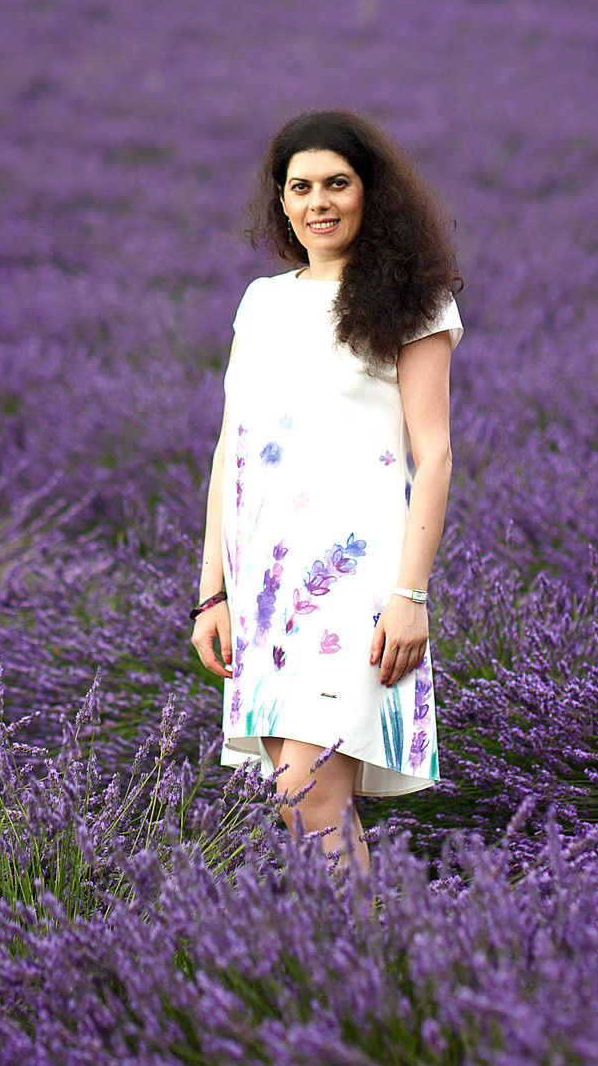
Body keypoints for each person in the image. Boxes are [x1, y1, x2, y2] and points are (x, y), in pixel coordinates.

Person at [191, 109, 463, 871]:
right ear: (281, 201)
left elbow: (435, 455)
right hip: (266, 586)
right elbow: (231, 449)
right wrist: (211, 594)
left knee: (308, 793)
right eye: (301, 186)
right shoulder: (262, 302)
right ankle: (365, 943)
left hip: (356, 582)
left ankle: (366, 945)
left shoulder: (415, 302)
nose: (319, 202)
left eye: (337, 183)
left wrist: (410, 595)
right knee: (301, 802)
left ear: (369, 192)